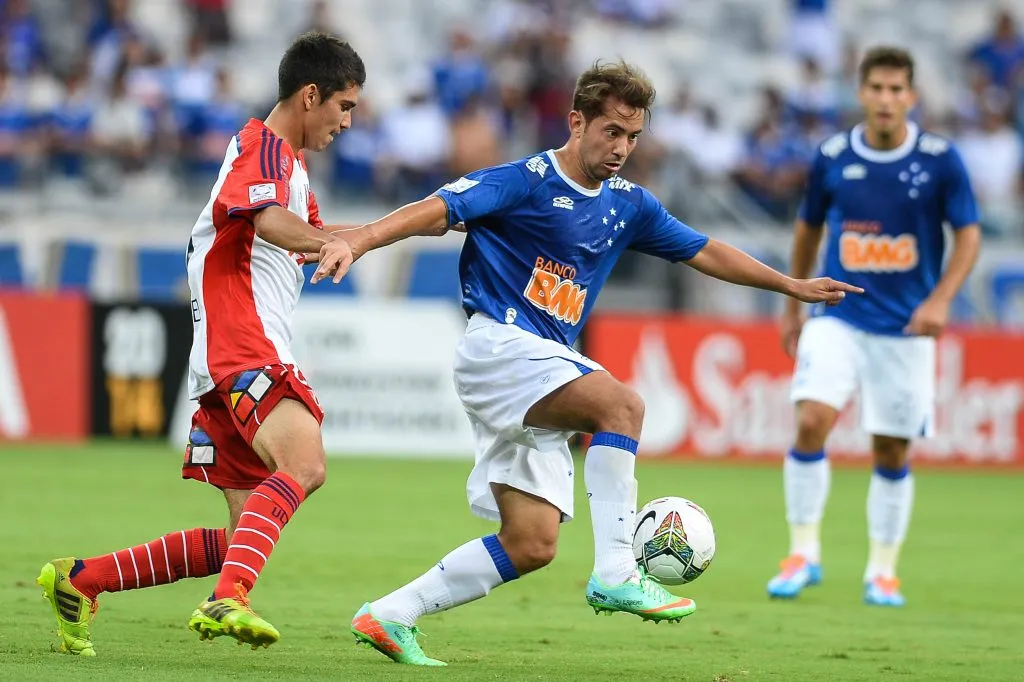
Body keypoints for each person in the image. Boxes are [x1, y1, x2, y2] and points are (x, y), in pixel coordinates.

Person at [321, 60, 862, 666]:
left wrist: (789, 285)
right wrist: (360, 239)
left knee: (532, 542)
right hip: (499, 346)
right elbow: (438, 210)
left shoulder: (629, 204)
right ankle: (616, 570)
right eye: (612, 132)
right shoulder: (524, 181)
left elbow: (704, 250)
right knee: (622, 405)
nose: (622, 148)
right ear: (577, 122)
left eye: (633, 136)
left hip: (544, 360)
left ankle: (391, 613)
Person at [35, 32, 385, 656]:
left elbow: (293, 227)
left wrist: (367, 235)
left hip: (220, 353)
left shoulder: (286, 164)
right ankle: (229, 600)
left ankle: (83, 579)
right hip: (244, 341)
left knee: (245, 533)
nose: (348, 121)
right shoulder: (267, 146)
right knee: (303, 465)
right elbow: (265, 220)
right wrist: (324, 242)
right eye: (345, 105)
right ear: (312, 94)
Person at [766, 46, 981, 607]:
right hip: (837, 314)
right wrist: (792, 304)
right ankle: (802, 553)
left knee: (891, 449)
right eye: (876, 88)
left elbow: (970, 236)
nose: (886, 99)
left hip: (907, 329)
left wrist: (940, 301)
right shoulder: (832, 155)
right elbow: (807, 230)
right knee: (811, 418)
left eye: (896, 89)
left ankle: (882, 571)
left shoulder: (940, 159)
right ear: (861, 92)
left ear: (911, 96)